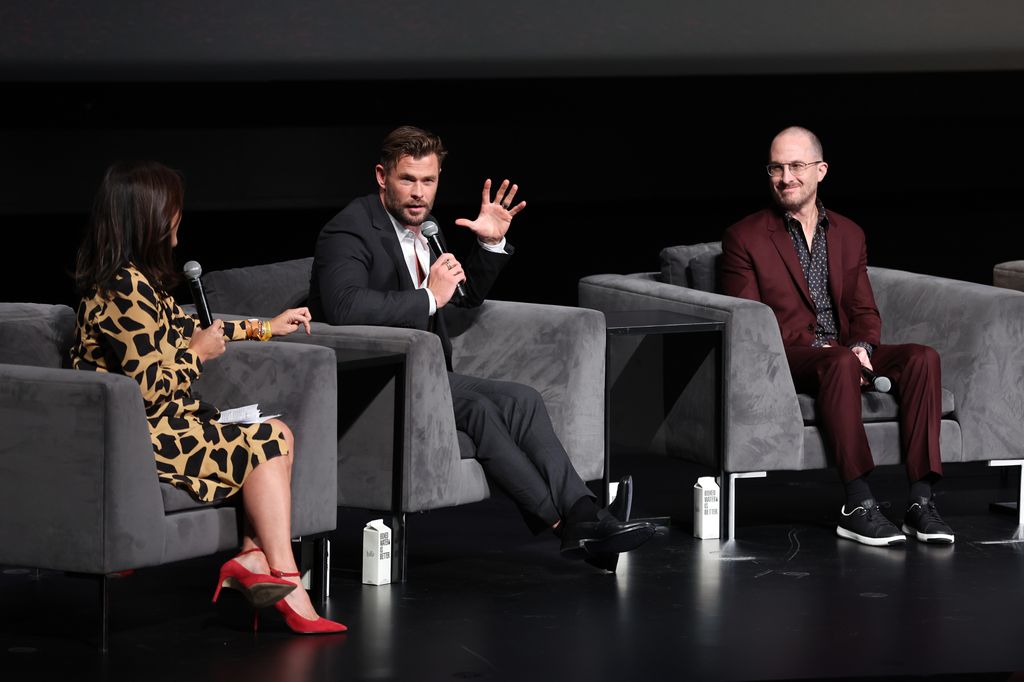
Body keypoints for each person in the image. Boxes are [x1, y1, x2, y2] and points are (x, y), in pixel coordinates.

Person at [308, 125, 655, 571]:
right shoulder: (349, 230)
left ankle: (583, 516)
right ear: (381, 176)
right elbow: (343, 306)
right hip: (375, 380)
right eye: (407, 180)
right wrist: (427, 297)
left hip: (427, 375)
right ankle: (572, 523)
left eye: (428, 181)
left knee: (523, 399)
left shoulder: (425, 229)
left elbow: (463, 297)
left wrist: (489, 243)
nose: (418, 193)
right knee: (481, 411)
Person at [70, 160, 346, 633]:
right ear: (150, 217)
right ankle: (284, 576)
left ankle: (251, 557)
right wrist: (195, 355)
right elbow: (148, 388)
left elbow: (192, 329)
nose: (180, 218)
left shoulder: (140, 282)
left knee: (277, 430)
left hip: (167, 425)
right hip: (138, 435)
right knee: (264, 442)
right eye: (173, 210)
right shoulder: (119, 290)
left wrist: (266, 326)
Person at [720, 126, 954, 547]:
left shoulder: (849, 233)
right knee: (839, 361)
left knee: (923, 358)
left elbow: (864, 310)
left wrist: (863, 348)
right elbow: (750, 321)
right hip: (786, 354)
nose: (785, 177)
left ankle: (920, 502)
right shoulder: (744, 237)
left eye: (796, 166)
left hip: (844, 354)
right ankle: (857, 504)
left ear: (820, 170)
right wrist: (832, 351)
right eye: (776, 167)